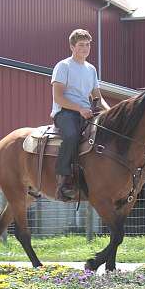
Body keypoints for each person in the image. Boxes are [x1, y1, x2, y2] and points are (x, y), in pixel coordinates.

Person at [51, 29, 111, 199]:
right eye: (81, 45)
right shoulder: (63, 66)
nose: (85, 48)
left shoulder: (91, 69)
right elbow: (58, 97)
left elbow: (97, 98)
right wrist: (79, 109)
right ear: (72, 47)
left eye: (87, 45)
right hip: (65, 113)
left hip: (87, 112)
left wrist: (110, 112)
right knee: (71, 136)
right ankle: (62, 181)